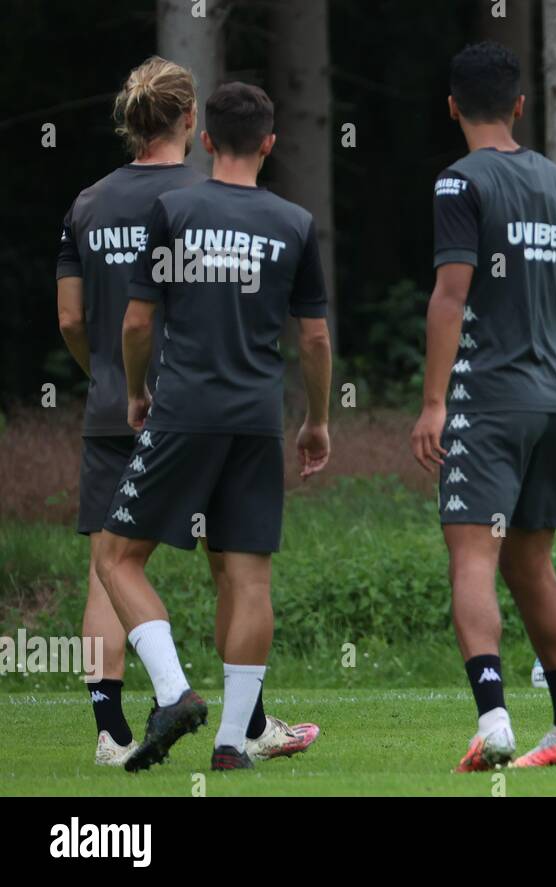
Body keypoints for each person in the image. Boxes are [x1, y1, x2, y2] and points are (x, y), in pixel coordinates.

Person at [56, 58, 319, 767]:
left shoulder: (87, 203)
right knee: (234, 567)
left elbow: (75, 320)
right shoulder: (203, 201)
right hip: (203, 404)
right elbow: (280, 322)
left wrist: (110, 377)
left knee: (106, 566)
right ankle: (243, 726)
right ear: (190, 122)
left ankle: (111, 732)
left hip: (125, 403)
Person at [410, 42, 556, 769]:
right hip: (554, 401)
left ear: (452, 108)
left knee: (473, 554)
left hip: (488, 398)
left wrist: (434, 402)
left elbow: (450, 295)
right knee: (532, 566)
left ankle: (495, 717)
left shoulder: (458, 183)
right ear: (520, 107)